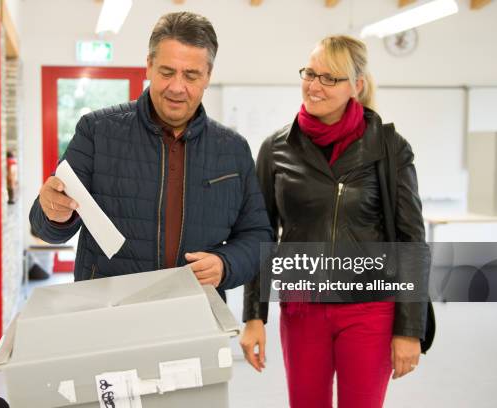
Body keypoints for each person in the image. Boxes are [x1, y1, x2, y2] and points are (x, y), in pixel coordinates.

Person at [241, 35, 431, 408]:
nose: (314, 86)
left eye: (330, 78)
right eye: (310, 73)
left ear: (356, 86)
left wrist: (409, 329)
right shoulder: (276, 149)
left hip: (369, 310)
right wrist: (253, 316)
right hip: (301, 310)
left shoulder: (389, 149)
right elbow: (260, 234)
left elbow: (412, 240)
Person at [29, 12, 273, 295]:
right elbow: (46, 227)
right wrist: (53, 213)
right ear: (149, 65)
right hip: (109, 314)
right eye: (167, 72)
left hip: (194, 315)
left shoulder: (233, 149)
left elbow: (258, 237)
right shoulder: (97, 132)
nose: (177, 87)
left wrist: (226, 264)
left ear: (208, 76)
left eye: (191, 75)